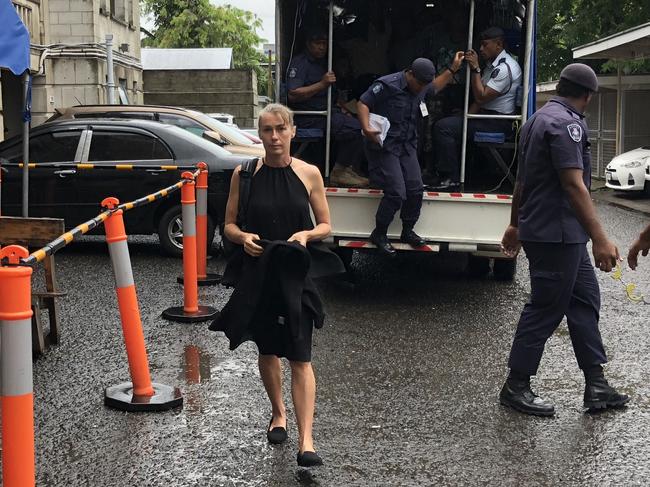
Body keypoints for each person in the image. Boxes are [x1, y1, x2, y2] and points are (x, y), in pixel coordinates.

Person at [210, 104, 344, 467]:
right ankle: (278, 413)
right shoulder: (245, 173)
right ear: (260, 134)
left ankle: (307, 441)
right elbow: (229, 226)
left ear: (292, 132)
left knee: (301, 355)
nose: (274, 137)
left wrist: (305, 234)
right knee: (268, 350)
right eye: (267, 130)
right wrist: (244, 237)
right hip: (259, 275)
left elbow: (326, 225)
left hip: (296, 276)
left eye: (280, 129)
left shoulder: (309, 173)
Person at [499, 63, 629, 416]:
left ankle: (596, 385)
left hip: (558, 235)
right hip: (555, 235)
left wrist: (514, 225)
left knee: (585, 299)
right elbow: (574, 185)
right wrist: (601, 238)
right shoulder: (567, 125)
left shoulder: (535, 121)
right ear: (587, 95)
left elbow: (521, 182)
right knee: (546, 307)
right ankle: (516, 385)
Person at [357, 55, 464, 256]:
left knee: (415, 189)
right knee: (397, 192)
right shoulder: (388, 84)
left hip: (407, 146)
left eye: (425, 84)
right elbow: (363, 103)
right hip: (386, 147)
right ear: (410, 74)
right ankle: (379, 233)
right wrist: (366, 127)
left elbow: (435, 86)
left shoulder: (423, 85)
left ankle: (407, 231)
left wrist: (452, 69)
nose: (422, 88)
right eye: (420, 83)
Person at [433, 26, 522, 189]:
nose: (481, 49)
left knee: (443, 128)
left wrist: (475, 68)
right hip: (486, 116)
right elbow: (480, 101)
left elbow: (481, 96)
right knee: (447, 121)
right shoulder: (492, 65)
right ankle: (441, 173)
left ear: (499, 45)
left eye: (485, 45)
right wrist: (466, 116)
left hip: (497, 122)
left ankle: (451, 178)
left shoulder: (505, 68)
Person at [287, 30, 369, 188]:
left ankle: (349, 168)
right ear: (308, 44)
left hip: (327, 112)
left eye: (324, 44)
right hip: (310, 116)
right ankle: (340, 172)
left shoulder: (323, 63)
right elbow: (293, 94)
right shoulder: (301, 63)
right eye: (317, 43)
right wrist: (322, 84)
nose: (321, 47)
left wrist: (343, 108)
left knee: (361, 122)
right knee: (357, 129)